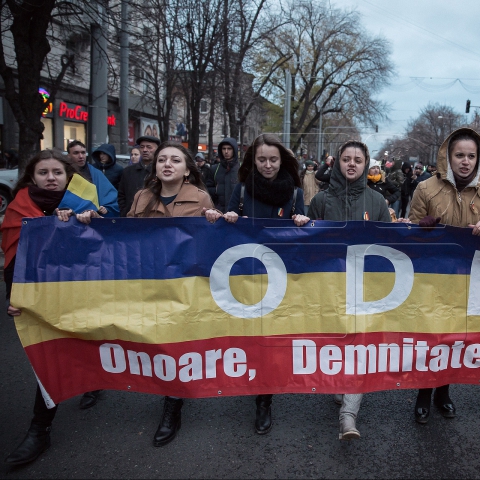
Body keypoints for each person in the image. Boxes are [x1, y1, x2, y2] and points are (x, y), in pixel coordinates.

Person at [120, 142, 218, 447]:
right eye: (162, 159)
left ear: (187, 169)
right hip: (148, 283)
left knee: (176, 343)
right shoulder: (142, 197)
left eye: (175, 160)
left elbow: (211, 242)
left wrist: (217, 222)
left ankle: (172, 407)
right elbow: (123, 236)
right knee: (154, 340)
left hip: (183, 285)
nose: (167, 164)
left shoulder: (200, 197)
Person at [295, 140, 391, 441]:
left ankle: (348, 416)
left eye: (358, 160)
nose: (352, 164)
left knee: (361, 344)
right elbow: (312, 241)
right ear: (337, 163)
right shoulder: (322, 199)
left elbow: (388, 244)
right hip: (331, 285)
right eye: (346, 159)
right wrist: (304, 223)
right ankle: (339, 382)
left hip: (364, 287)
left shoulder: (376, 201)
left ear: (366, 165)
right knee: (336, 339)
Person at [216, 134, 305, 435]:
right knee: (248, 334)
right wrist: (229, 217)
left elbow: (302, 236)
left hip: (280, 279)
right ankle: (249, 378)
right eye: (261, 159)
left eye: (273, 159)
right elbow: (228, 221)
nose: (267, 165)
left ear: (282, 161)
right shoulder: (241, 190)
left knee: (271, 335)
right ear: (252, 161)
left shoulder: (294, 193)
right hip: (246, 275)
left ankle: (264, 399)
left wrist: (303, 222)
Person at [408, 127, 480, 425]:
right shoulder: (425, 188)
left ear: (479, 160)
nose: (465, 161)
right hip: (431, 279)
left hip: (467, 281)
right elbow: (409, 229)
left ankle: (443, 392)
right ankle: (423, 393)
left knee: (455, 338)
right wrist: (420, 226)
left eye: (472, 156)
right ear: (448, 157)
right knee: (431, 337)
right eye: (459, 155)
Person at [2, 149, 84, 466]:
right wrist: (15, 296)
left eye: (57, 173)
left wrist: (82, 220)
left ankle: (94, 385)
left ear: (68, 177)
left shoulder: (84, 206)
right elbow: (12, 259)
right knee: (48, 359)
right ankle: (40, 428)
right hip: (40, 301)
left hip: (81, 295)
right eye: (43, 172)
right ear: (32, 177)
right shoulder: (18, 209)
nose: (50, 178)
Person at [66, 140, 119, 217]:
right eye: (76, 153)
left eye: (83, 152)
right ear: (69, 156)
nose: (81, 156)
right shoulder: (63, 173)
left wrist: (106, 208)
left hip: (92, 219)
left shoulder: (96, 173)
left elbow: (111, 199)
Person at [118, 135, 159, 216]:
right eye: (142, 147)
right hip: (131, 217)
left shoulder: (161, 171)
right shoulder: (128, 171)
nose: (145, 150)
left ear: (157, 150)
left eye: (149, 147)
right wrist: (124, 211)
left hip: (154, 217)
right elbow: (121, 195)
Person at [210, 137, 240, 212]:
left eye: (229, 148)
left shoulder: (242, 168)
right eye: (224, 148)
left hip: (237, 213)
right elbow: (206, 189)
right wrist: (216, 190)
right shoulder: (215, 169)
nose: (226, 152)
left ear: (234, 150)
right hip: (219, 212)